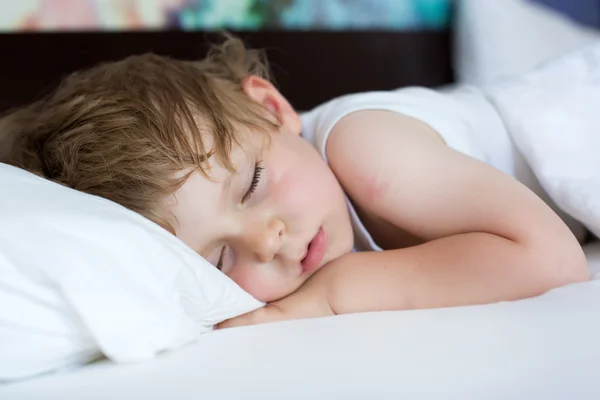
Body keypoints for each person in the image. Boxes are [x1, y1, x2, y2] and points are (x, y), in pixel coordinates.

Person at [0, 35, 588, 329]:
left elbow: (549, 260)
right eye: (222, 258)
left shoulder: (370, 151)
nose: (269, 238)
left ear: (274, 109)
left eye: (253, 183)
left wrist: (335, 293)